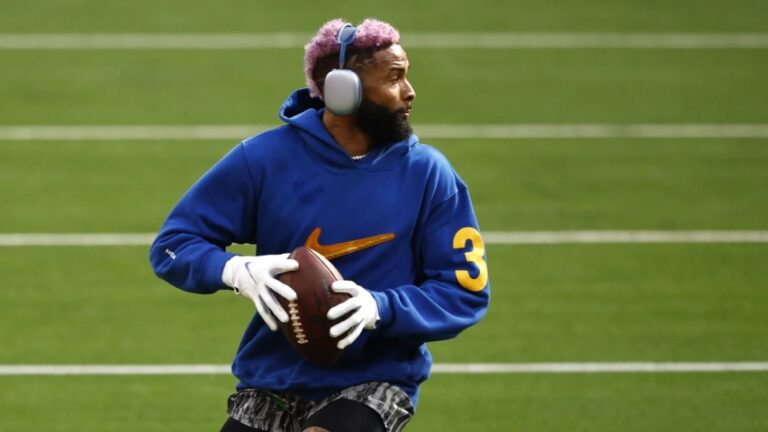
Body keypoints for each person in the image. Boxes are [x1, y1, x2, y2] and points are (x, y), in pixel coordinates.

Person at [149, 17, 490, 432]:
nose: (410, 91)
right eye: (394, 77)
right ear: (342, 90)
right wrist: (235, 270)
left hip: (375, 381)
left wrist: (380, 307)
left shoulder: (428, 174)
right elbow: (172, 245)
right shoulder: (263, 160)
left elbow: (462, 292)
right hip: (272, 379)